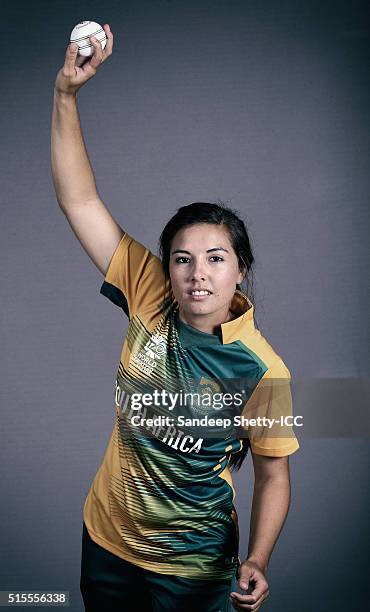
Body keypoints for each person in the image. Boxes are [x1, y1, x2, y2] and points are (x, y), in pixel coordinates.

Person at [51, 24, 299, 612]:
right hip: (106, 545)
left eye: (217, 260)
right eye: (183, 259)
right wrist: (66, 94)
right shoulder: (148, 290)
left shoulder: (263, 371)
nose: (197, 274)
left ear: (241, 270)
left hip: (192, 569)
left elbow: (274, 477)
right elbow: (79, 199)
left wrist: (258, 560)